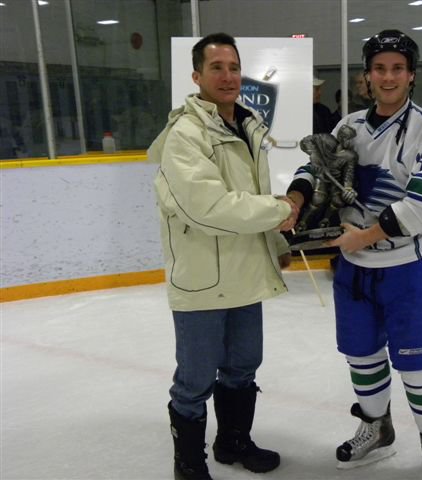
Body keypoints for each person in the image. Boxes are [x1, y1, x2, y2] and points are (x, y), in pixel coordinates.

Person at [287, 29, 422, 480]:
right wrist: (296, 200)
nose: (388, 77)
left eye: (397, 69)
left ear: (410, 76)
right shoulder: (351, 126)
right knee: (362, 357)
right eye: (379, 68)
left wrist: (362, 238)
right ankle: (376, 428)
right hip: (356, 272)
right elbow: (315, 166)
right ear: (367, 75)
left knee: (421, 367)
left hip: (409, 270)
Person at [147, 32, 299, 480]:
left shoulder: (248, 125)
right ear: (197, 76)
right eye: (216, 67)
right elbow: (208, 207)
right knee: (195, 380)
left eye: (233, 67)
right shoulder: (185, 135)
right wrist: (280, 212)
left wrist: (277, 244)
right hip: (201, 280)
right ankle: (189, 464)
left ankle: (233, 441)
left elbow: (247, 195)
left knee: (242, 366)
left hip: (246, 272)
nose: (228, 75)